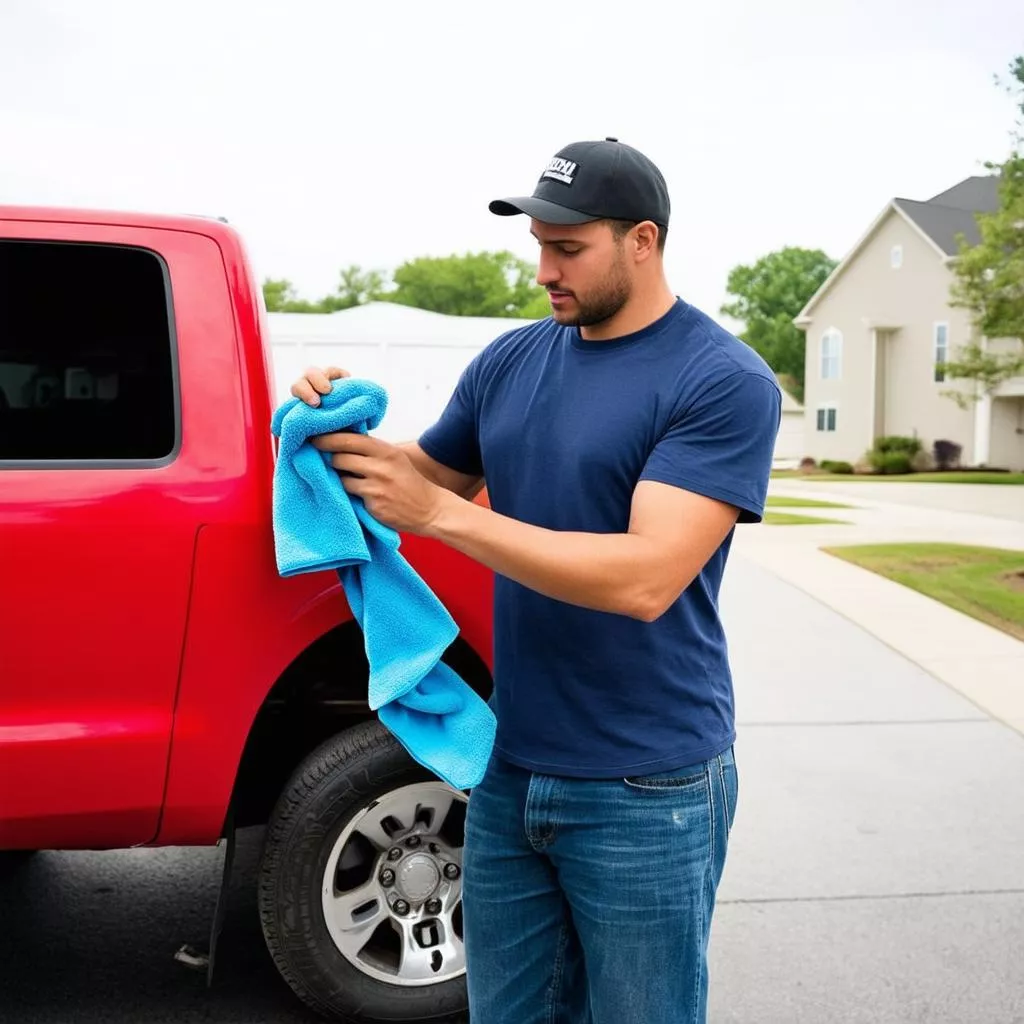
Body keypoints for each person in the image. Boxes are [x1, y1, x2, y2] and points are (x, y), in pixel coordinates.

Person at [291, 137, 781, 1024]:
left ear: (643, 240)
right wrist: (333, 432)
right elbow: (430, 478)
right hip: (510, 764)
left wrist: (439, 517)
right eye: (538, 244)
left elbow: (645, 576)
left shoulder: (721, 381)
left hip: (648, 784)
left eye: (568, 247)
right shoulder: (513, 361)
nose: (545, 269)